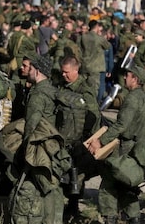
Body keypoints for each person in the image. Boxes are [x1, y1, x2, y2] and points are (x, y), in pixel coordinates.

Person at [88, 65, 145, 224]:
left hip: (125, 147)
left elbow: (121, 125)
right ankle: (134, 218)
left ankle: (110, 218)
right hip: (137, 146)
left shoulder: (132, 99)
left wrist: (100, 141)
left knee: (108, 184)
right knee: (126, 185)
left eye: (128, 75)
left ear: (135, 79)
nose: (124, 78)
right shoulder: (144, 98)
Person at [9, 55, 67, 224]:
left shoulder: (38, 95)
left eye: (30, 67)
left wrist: (23, 152)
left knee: (42, 189)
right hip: (54, 147)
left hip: (40, 148)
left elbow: (31, 127)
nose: (27, 71)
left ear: (37, 70)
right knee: (53, 188)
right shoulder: (51, 89)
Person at [55, 56, 101, 220]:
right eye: (62, 72)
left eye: (67, 72)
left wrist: (87, 138)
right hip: (64, 136)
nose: (64, 75)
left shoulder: (84, 90)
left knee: (76, 175)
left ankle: (73, 208)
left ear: (76, 71)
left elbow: (94, 115)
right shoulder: (62, 86)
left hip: (79, 139)